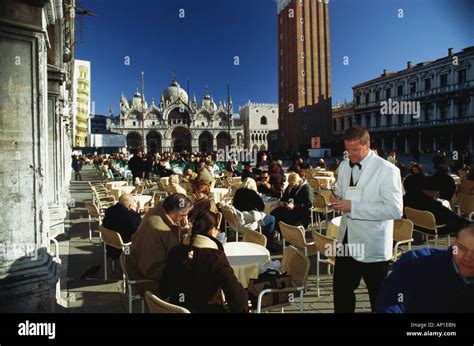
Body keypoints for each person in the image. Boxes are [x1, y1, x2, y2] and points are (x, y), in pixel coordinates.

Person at [330, 126, 403, 313]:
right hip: (347, 241)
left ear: (367, 144)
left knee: (378, 299)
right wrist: (335, 197)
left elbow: (395, 210)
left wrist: (353, 207)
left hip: (373, 245)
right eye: (347, 150)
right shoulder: (345, 165)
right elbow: (339, 189)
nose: (350, 155)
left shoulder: (388, 170)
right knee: (342, 292)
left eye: (355, 150)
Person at [160, 210, 248, 313]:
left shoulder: (175, 250)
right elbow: (236, 297)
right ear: (212, 230)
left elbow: (164, 290)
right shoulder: (215, 257)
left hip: (175, 308)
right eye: (217, 229)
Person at [376, 224, 474, 313]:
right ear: (453, 243)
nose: (467, 257)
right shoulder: (415, 262)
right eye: (461, 248)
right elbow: (391, 302)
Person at [129, 194, 193, 294]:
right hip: (149, 276)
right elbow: (169, 257)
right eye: (184, 214)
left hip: (138, 264)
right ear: (175, 212)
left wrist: (183, 230)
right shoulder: (160, 229)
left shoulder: (156, 212)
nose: (185, 218)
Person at [403, 173, 470, 236]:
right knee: (461, 225)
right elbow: (452, 218)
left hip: (417, 226)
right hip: (435, 230)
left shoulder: (406, 199)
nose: (437, 193)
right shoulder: (431, 204)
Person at [233, 178, 277, 251]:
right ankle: (269, 243)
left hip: (239, 218)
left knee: (266, 219)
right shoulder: (252, 193)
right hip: (250, 219)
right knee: (272, 219)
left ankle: (262, 238)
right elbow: (261, 207)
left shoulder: (238, 192)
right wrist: (257, 195)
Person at [102, 194, 141, 259]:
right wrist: (135, 213)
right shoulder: (132, 217)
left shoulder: (109, 210)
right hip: (126, 249)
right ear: (130, 206)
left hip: (110, 246)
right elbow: (138, 233)